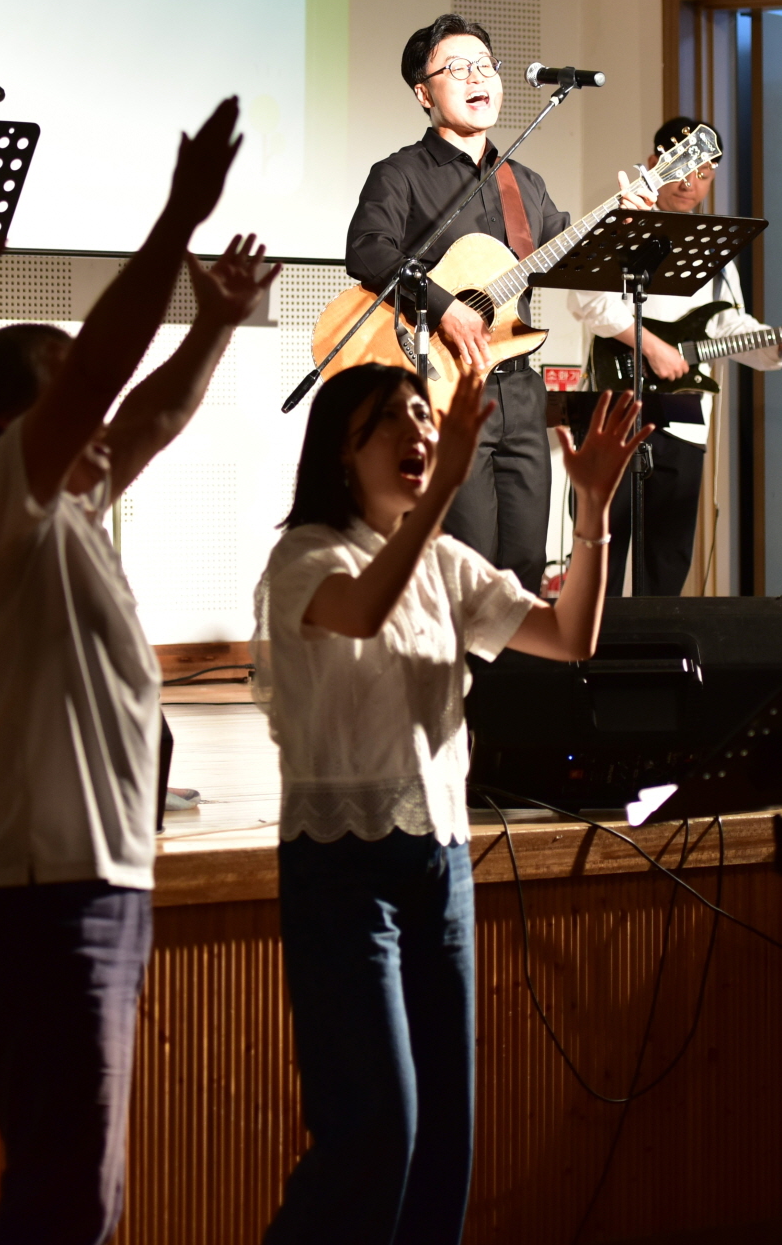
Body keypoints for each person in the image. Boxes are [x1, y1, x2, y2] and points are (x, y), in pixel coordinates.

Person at [0, 99, 265, 1245]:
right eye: (67, 386)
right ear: (12, 419)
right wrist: (176, 220)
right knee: (68, 1199)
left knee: (78, 1194)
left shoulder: (63, 509)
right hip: (38, 892)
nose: (98, 405)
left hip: (84, 881)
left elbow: (152, 409)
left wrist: (212, 326)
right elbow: (112, 373)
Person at [255, 364, 647, 1245]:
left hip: (439, 865)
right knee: (374, 1132)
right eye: (390, 418)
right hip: (342, 870)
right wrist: (449, 483)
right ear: (341, 450)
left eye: (422, 414)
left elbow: (569, 636)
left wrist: (591, 510)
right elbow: (363, 611)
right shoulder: (306, 556)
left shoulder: (443, 560)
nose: (419, 430)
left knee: (443, 1142)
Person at [343, 15, 570, 593]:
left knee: (525, 566)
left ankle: (517, 656)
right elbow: (367, 250)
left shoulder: (524, 182)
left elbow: (569, 254)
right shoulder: (400, 174)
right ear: (424, 93)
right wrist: (443, 305)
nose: (478, 77)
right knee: (465, 562)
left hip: (520, 388)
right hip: (443, 391)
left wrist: (629, 216)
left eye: (485, 66)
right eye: (457, 68)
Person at [565, 116, 782, 597]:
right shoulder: (623, 222)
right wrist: (653, 347)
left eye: (704, 173)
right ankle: (591, 646)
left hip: (685, 421)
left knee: (667, 564)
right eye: (681, 170)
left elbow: (728, 325)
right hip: (615, 411)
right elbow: (586, 300)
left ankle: (656, 648)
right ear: (654, 163)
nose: (691, 183)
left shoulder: (714, 249)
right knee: (600, 558)